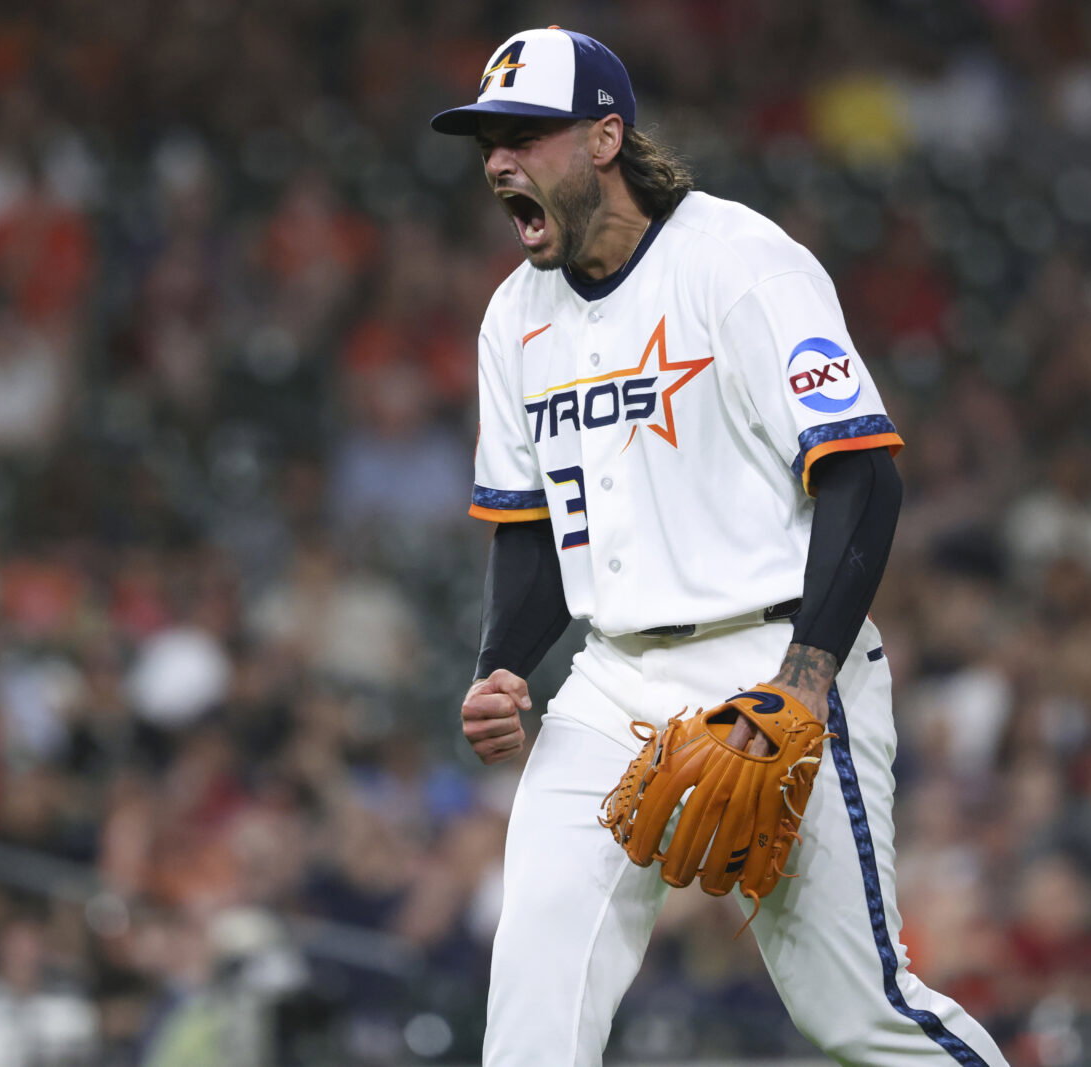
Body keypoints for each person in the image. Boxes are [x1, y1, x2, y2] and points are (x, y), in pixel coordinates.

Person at [434, 26, 1011, 1067]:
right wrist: (501, 667)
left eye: (525, 134)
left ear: (605, 137)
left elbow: (862, 473)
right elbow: (531, 537)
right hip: (610, 687)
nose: (498, 161)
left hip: (770, 663)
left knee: (855, 1012)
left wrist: (805, 680)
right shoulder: (513, 319)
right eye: (489, 140)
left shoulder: (736, 259)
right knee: (530, 1013)